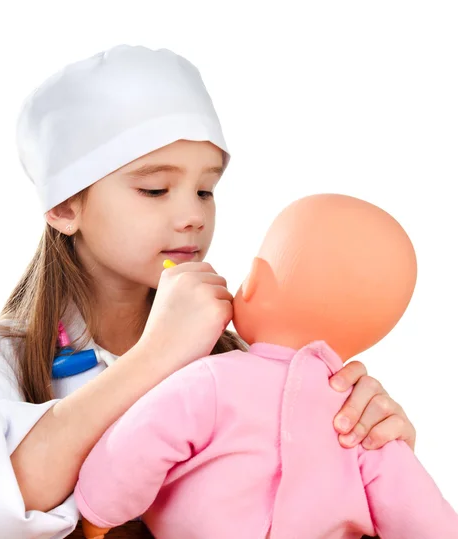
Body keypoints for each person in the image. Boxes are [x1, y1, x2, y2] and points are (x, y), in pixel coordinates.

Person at [0, 45, 417, 539]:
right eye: (155, 189)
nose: (193, 215)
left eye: (206, 189)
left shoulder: (244, 366)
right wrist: (156, 356)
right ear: (65, 207)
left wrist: (366, 445)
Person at [75, 194, 457, 539]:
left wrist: (98, 514)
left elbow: (138, 445)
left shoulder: (211, 379)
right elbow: (426, 517)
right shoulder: (358, 422)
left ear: (254, 283)